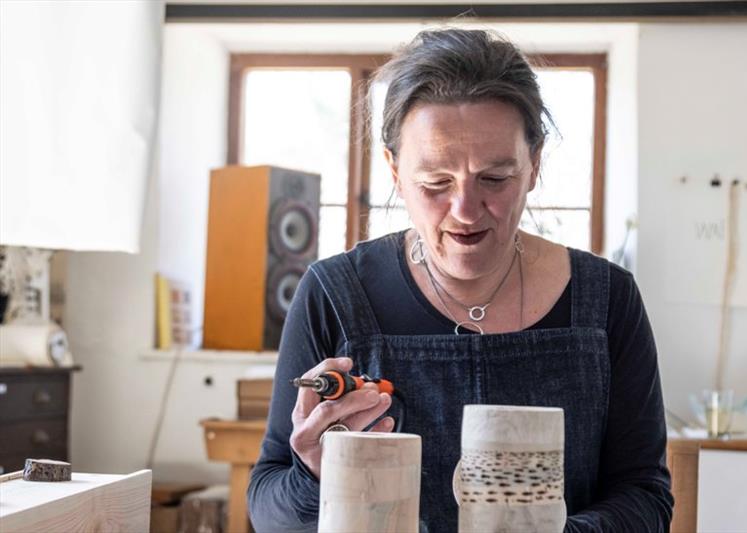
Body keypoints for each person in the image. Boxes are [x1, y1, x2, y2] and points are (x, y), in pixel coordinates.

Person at [248, 28, 673, 532]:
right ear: (394, 170)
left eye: (495, 179)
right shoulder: (333, 295)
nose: (466, 210)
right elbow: (267, 506)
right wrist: (312, 477)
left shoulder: (607, 300)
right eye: (435, 183)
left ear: (534, 165)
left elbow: (644, 496)